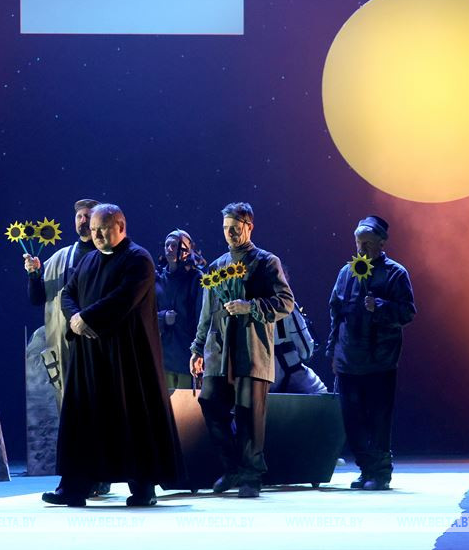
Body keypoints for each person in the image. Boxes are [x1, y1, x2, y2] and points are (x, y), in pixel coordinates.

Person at [43, 204, 181, 507]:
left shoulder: (138, 259)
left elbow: (123, 298)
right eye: (94, 230)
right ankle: (74, 487)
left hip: (127, 356)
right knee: (83, 416)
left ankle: (142, 488)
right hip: (88, 353)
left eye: (103, 229)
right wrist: (75, 317)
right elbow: (68, 293)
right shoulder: (88, 259)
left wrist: (86, 318)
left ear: (121, 225)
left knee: (132, 415)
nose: (97, 235)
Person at [189, 202, 294, 498]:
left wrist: (252, 307)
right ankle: (232, 466)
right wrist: (198, 348)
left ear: (249, 227)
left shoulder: (266, 262)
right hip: (218, 349)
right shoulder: (216, 267)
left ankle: (251, 474)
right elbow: (206, 313)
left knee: (249, 413)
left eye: (235, 227)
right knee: (210, 402)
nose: (230, 233)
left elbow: (286, 301)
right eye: (226, 228)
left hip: (251, 348)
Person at [326, 215, 415, 491]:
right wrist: (332, 351)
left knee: (378, 419)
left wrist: (381, 306)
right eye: (358, 243)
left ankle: (381, 472)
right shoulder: (346, 273)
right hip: (348, 360)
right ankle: (366, 468)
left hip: (380, 362)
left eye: (367, 243)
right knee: (351, 419)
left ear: (381, 243)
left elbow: (407, 312)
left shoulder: (395, 273)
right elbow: (336, 313)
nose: (361, 248)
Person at [24, 198, 99, 407]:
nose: (83, 220)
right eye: (79, 216)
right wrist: (33, 275)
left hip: (98, 339)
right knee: (69, 403)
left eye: (88, 216)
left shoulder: (109, 256)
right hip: (65, 343)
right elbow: (37, 298)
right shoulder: (60, 258)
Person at [155, 229, 203, 389]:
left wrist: (199, 351)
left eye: (174, 245)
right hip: (163, 355)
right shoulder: (157, 279)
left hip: (187, 354)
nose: (169, 249)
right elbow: (146, 314)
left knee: (186, 401)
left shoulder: (196, 279)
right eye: (167, 245)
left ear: (186, 250)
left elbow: (202, 317)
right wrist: (162, 317)